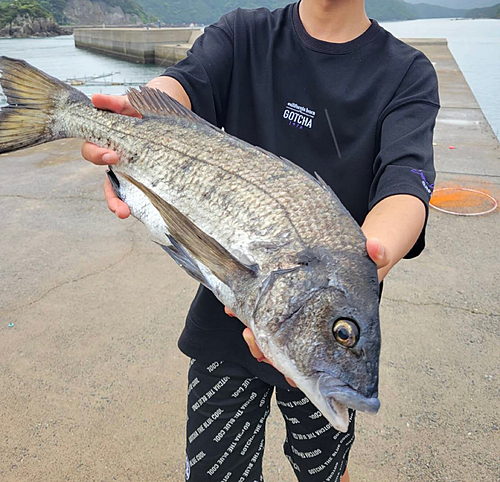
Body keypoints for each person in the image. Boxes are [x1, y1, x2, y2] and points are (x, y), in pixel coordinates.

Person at [81, 0, 439, 480]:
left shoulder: (407, 73)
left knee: (327, 473)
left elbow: (407, 182)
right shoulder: (244, 33)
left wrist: (368, 257)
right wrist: (132, 125)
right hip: (225, 323)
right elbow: (182, 85)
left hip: (324, 332)